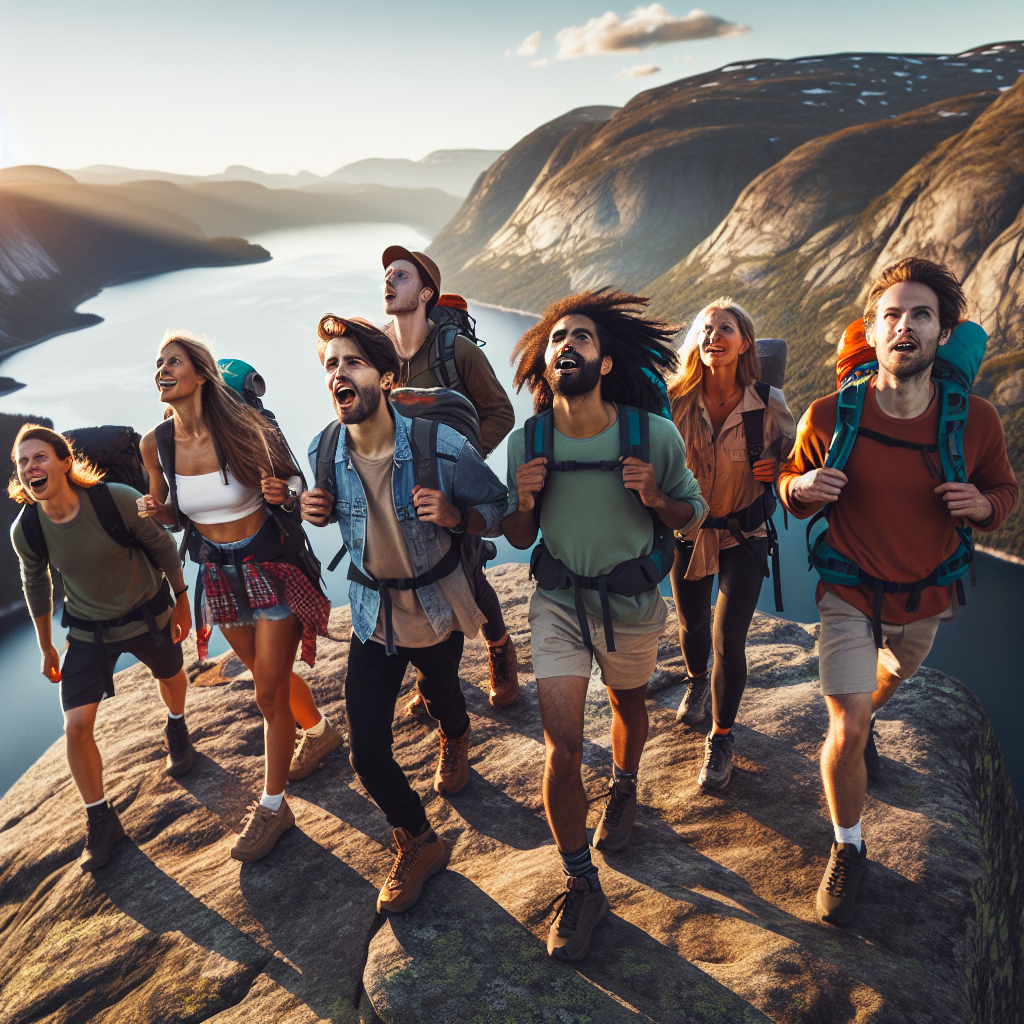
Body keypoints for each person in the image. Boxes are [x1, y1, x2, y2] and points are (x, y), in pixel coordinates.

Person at [779, 258, 1018, 925]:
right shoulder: (831, 414)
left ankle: (865, 722)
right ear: (874, 330)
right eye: (891, 315)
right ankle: (848, 846)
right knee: (847, 723)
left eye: (920, 315)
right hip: (848, 591)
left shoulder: (975, 422)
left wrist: (983, 506)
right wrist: (800, 489)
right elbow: (791, 485)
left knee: (887, 683)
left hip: (924, 599)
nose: (904, 326)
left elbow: (1004, 492)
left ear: (943, 334)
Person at [502, 289, 707, 961]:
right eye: (558, 337)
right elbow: (518, 532)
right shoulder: (527, 442)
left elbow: (693, 514)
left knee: (627, 702)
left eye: (582, 338)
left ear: (606, 361)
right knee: (560, 745)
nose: (568, 345)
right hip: (558, 603)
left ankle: (623, 784)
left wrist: (654, 495)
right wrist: (524, 499)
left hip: (630, 607)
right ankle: (580, 882)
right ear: (546, 360)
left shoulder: (653, 437)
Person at [301, 314, 508, 913]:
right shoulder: (325, 448)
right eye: (331, 365)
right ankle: (418, 839)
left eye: (353, 362)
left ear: (386, 377)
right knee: (366, 751)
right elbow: (329, 512)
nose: (339, 373)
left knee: (443, 693)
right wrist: (313, 510)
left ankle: (456, 732)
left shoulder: (440, 446)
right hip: (372, 615)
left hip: (438, 609)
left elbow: (498, 511)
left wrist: (455, 515)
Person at [137, 331, 338, 863]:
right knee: (264, 676)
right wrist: (158, 514)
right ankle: (318, 731)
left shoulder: (247, 426)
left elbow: (298, 487)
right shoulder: (154, 444)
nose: (161, 369)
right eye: (158, 363)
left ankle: (274, 807)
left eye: (172, 361)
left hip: (269, 567)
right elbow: (176, 513)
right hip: (218, 575)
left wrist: (284, 492)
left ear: (199, 374)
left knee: (267, 695)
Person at [10, 425, 194, 872]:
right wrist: (46, 646)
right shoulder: (29, 528)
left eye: (39, 458)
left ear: (64, 462)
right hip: (89, 631)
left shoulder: (113, 499)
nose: (30, 467)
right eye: (21, 462)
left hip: (147, 614)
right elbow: (35, 584)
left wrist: (183, 599)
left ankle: (176, 727)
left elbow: (162, 545)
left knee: (170, 677)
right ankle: (100, 817)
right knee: (76, 724)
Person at [382, 245, 520, 709]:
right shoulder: (376, 352)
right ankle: (437, 679)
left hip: (450, 489)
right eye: (385, 275)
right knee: (414, 583)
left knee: (465, 573)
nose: (388, 281)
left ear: (425, 293)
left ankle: (499, 649)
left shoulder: (454, 350)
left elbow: (501, 412)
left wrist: (457, 459)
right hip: (397, 489)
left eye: (400, 276)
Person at [667, 300, 795, 790]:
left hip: (746, 534)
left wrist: (780, 470)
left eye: (726, 328)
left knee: (728, 640)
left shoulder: (767, 401)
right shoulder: (674, 401)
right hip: (690, 532)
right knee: (691, 623)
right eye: (706, 329)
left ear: (745, 343)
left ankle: (721, 736)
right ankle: (696, 679)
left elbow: (799, 458)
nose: (714, 336)